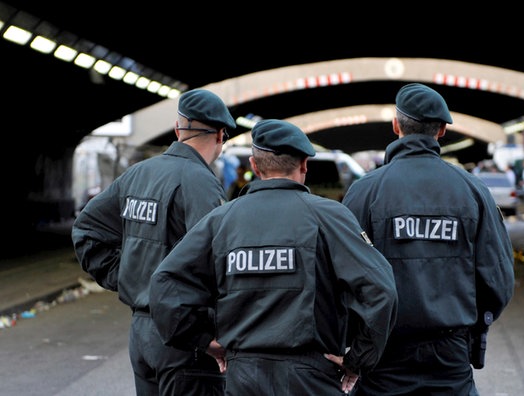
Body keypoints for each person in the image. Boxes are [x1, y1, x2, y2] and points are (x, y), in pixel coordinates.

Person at [149, 119, 399, 395]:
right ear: (304, 165)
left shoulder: (222, 219)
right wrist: (358, 360)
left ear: (255, 167)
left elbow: (165, 282)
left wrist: (204, 340)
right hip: (310, 377)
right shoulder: (329, 217)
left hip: (242, 375)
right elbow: (380, 290)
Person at [341, 83, 515, 395]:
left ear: (396, 126)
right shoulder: (473, 191)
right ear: (443, 130)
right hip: (450, 353)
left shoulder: (365, 192)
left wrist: (356, 343)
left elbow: (341, 276)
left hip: (383, 351)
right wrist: (475, 325)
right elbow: (498, 278)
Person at [72, 88, 236, 396]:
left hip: (142, 335)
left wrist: (125, 277)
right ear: (220, 135)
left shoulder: (138, 174)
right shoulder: (201, 184)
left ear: (178, 130)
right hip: (185, 341)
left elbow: (87, 229)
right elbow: (219, 264)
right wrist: (207, 333)